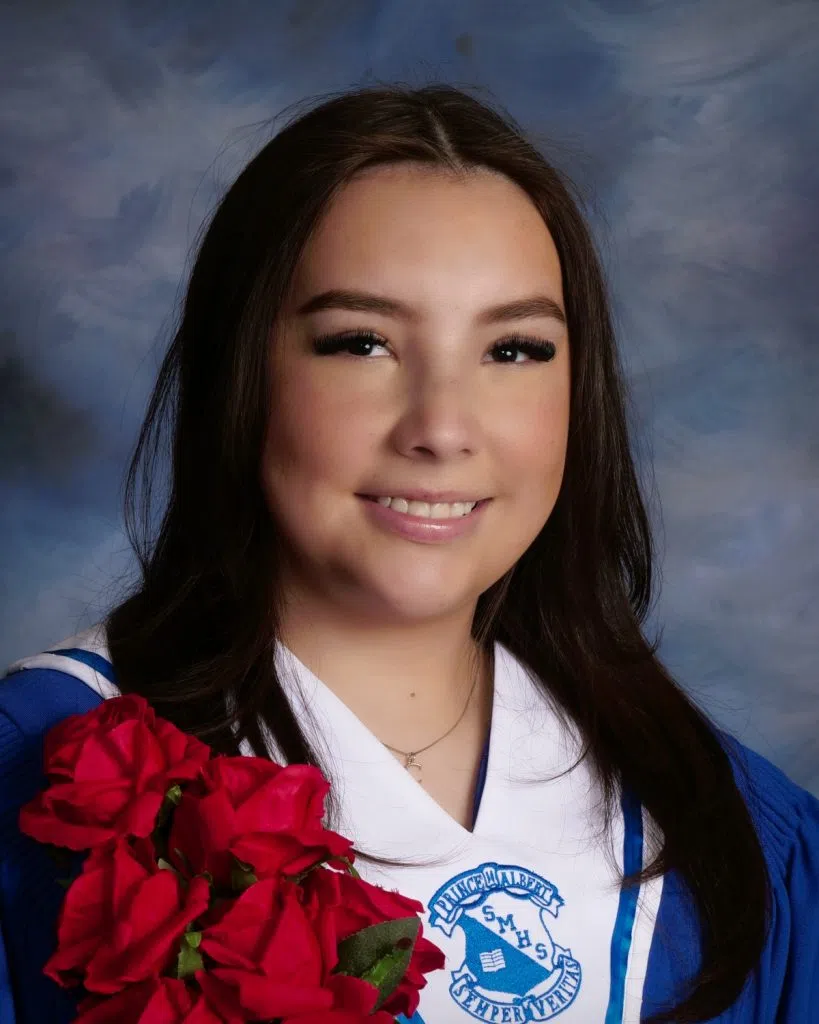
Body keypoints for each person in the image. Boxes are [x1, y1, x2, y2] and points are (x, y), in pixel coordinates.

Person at [0, 82, 816, 1024]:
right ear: (241, 374)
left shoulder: (731, 831)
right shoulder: (43, 770)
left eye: (514, 350)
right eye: (361, 343)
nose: (442, 428)